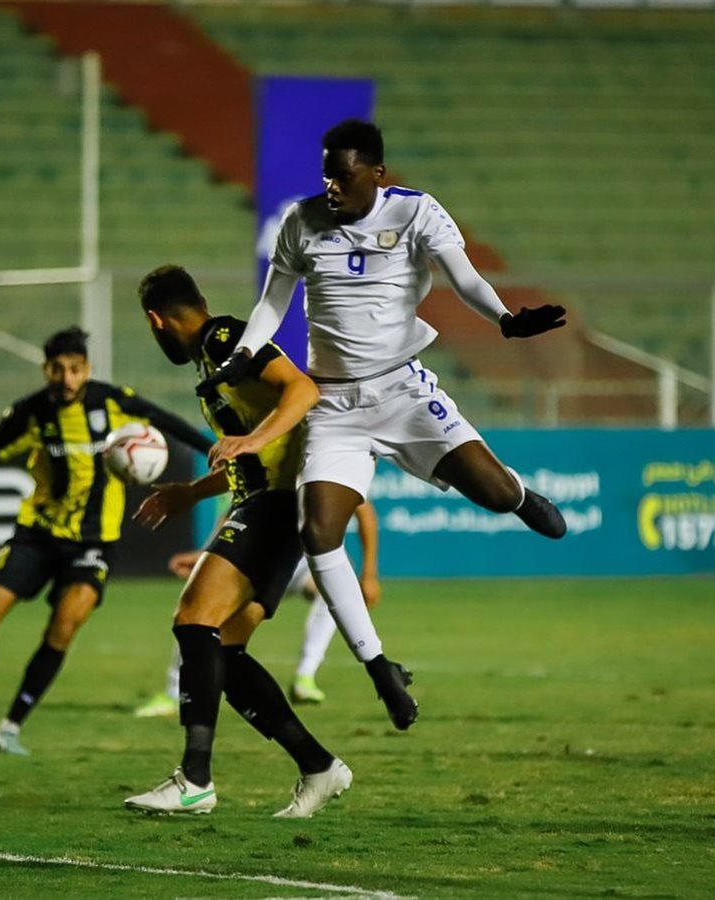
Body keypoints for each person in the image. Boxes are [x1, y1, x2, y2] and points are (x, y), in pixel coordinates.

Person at [203, 119, 568, 732]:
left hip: (402, 388)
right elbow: (273, 301)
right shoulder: (302, 221)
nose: (332, 188)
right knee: (318, 533)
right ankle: (379, 668)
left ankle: (522, 494)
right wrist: (242, 353)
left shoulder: (417, 212)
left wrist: (505, 320)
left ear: (376, 174)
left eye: (343, 177)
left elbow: (465, 277)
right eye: (326, 176)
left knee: (496, 493)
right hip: (334, 406)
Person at [0, 326, 210, 756]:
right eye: (58, 369)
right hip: (36, 536)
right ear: (45, 369)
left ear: (87, 369)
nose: (67, 378)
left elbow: (167, 422)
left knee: (63, 625)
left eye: (76, 369)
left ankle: (9, 727)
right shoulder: (29, 414)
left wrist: (216, 448)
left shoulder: (112, 402)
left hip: (94, 543)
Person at [123, 265, 347, 818]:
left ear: (157, 321)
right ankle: (319, 766)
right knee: (221, 652)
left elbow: (302, 390)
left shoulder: (226, 338)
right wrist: (191, 493)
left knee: (194, 617)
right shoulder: (214, 358)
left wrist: (252, 437)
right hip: (269, 501)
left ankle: (194, 780)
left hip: (274, 504)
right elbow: (250, 455)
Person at [132, 500, 380, 717]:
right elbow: (236, 508)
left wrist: (369, 574)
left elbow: (364, 510)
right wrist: (206, 553)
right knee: (201, 612)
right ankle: (173, 693)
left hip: (305, 561)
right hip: (262, 556)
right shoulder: (269, 460)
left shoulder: (322, 458)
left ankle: (305, 677)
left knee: (334, 592)